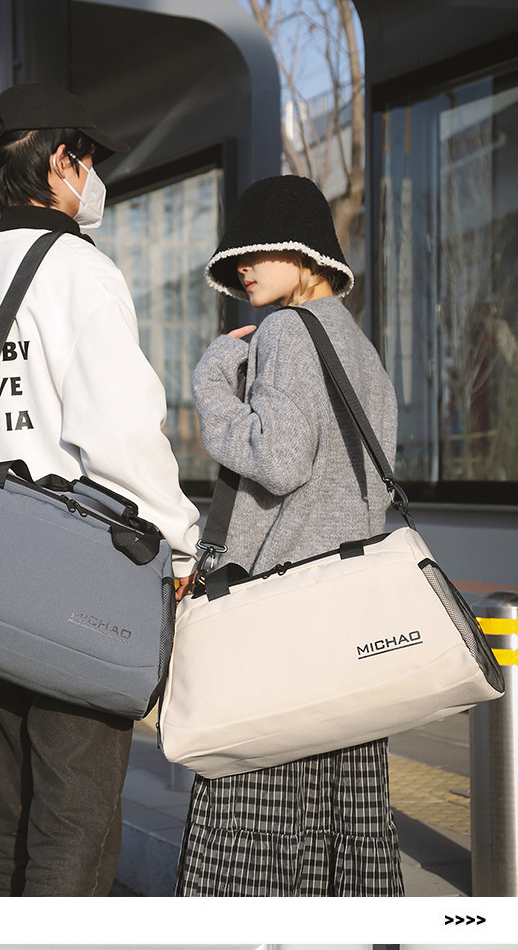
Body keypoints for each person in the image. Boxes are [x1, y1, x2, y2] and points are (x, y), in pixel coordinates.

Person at [0, 81, 201, 896]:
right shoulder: (79, 269)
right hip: (74, 580)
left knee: (15, 808)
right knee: (75, 818)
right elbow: (121, 433)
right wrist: (181, 541)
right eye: (88, 159)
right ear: (59, 162)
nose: (94, 177)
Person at [174, 175, 404, 897]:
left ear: (304, 253)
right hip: (349, 625)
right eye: (236, 257)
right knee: (342, 821)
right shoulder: (360, 349)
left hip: (278, 620)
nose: (244, 267)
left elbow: (277, 460)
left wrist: (214, 379)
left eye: (258, 250)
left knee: (255, 830)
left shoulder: (283, 332)